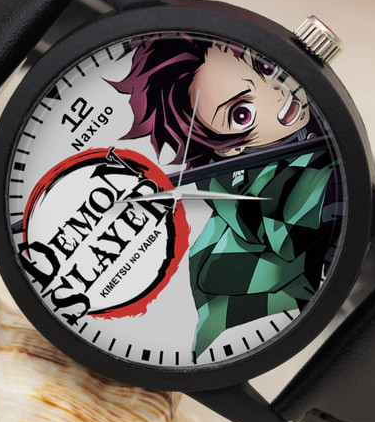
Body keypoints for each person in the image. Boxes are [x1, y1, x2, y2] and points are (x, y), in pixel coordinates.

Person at [112, 33, 342, 356]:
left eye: (264, 67)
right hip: (244, 304)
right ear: (228, 148)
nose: (276, 93)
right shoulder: (250, 187)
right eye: (242, 113)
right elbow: (290, 231)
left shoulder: (295, 131)